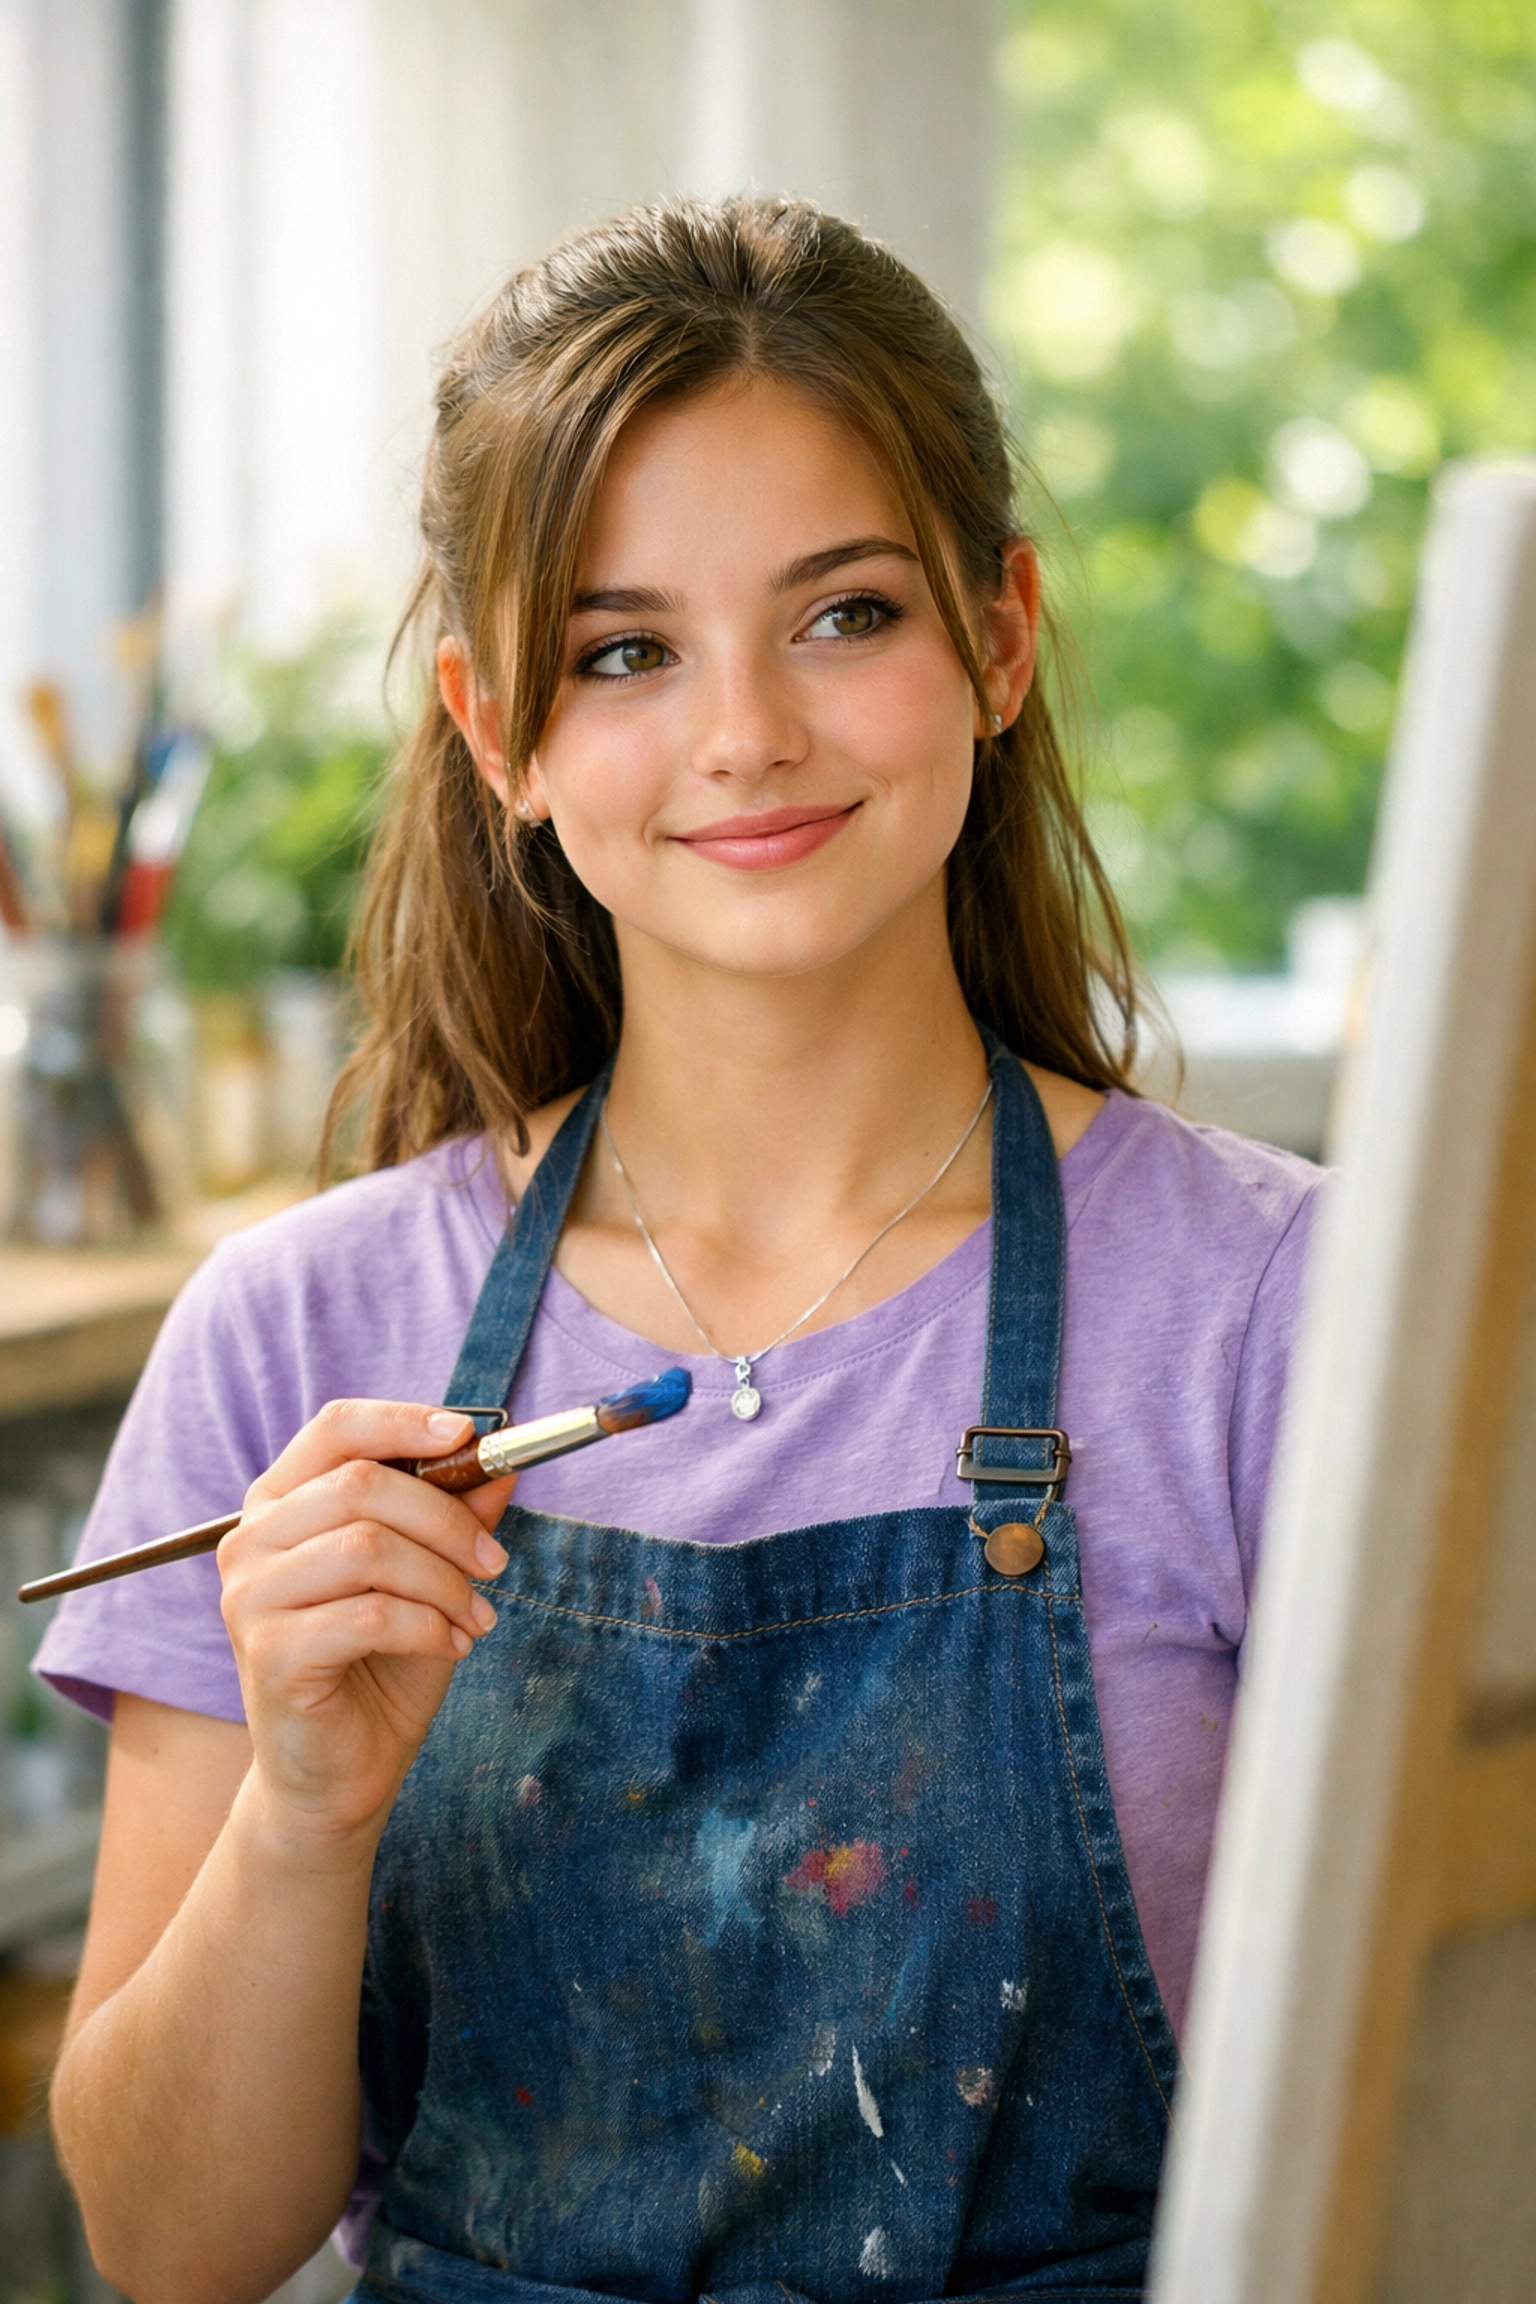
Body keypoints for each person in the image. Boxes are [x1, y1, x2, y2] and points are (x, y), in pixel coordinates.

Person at [38, 197, 1322, 2304]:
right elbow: (173, 2247)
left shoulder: (1285, 1316)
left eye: (845, 615)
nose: (746, 735)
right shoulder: (293, 1329)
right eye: (624, 651)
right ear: (499, 731)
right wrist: (301, 1812)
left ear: (1000, 639)